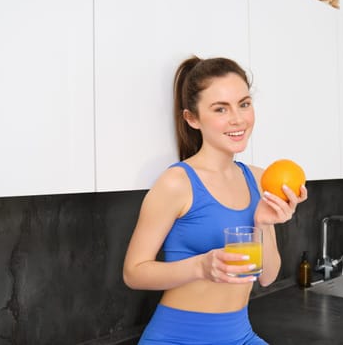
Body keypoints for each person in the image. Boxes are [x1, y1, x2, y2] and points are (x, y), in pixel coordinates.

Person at [123, 56, 308, 345]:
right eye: (220, 109)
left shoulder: (260, 179)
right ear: (192, 118)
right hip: (178, 338)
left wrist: (263, 223)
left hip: (240, 336)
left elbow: (267, 277)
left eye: (244, 104)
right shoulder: (177, 183)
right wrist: (201, 267)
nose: (238, 119)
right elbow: (133, 273)